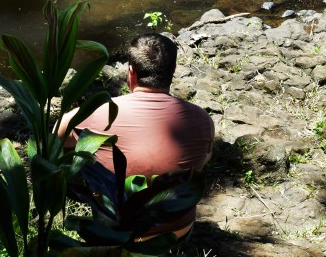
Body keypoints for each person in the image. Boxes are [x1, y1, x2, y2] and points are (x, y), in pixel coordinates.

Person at [59, 33, 214, 239]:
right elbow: (203, 161)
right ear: (171, 72)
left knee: (79, 152)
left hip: (116, 235)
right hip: (175, 234)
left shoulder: (99, 112)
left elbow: (56, 139)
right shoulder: (202, 119)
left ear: (131, 72)